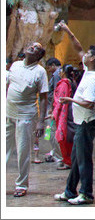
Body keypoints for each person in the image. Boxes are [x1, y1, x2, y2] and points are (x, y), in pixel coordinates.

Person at [53, 20, 95, 205]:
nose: (84, 55)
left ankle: (86, 194)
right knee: (76, 158)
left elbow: (89, 103)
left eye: (88, 54)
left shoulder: (93, 79)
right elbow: (79, 48)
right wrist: (68, 31)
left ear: (92, 59)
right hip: (81, 122)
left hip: (87, 122)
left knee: (84, 160)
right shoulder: (90, 69)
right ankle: (69, 191)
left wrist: (70, 100)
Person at [6, 40, 48, 197]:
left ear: (39, 55)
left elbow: (43, 98)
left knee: (23, 151)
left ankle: (21, 185)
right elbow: (8, 86)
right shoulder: (15, 65)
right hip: (8, 112)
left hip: (26, 116)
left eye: (37, 48)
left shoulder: (40, 71)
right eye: (31, 45)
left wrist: (41, 122)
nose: (33, 47)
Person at [52, 64, 77, 171]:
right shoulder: (72, 82)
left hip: (65, 113)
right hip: (71, 112)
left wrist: (54, 113)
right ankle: (69, 160)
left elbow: (60, 100)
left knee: (64, 137)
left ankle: (68, 161)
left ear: (63, 72)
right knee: (69, 136)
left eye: (60, 70)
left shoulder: (64, 84)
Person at [43, 57, 63, 165]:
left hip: (52, 107)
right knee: (49, 130)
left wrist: (52, 108)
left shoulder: (56, 75)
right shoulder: (59, 73)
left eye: (49, 67)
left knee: (50, 130)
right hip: (52, 107)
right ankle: (53, 150)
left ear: (54, 65)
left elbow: (56, 92)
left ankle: (56, 153)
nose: (49, 70)